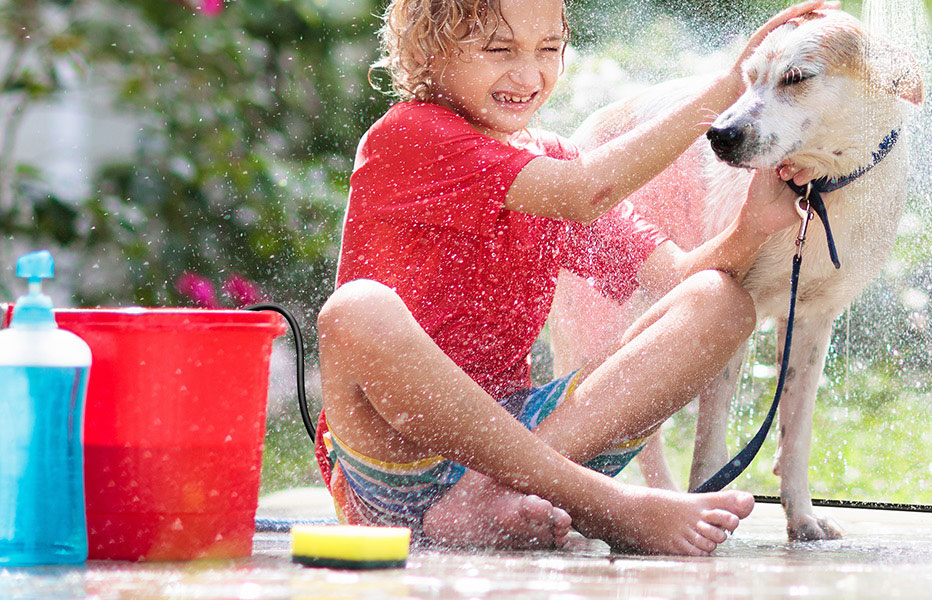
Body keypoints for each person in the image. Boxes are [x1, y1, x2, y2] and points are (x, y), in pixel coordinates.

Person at [313, 0, 832, 555]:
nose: (528, 75)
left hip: (534, 448)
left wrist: (752, 227)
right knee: (356, 308)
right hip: (394, 460)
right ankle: (609, 505)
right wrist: (728, 89)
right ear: (426, 52)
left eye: (548, 49)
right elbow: (585, 191)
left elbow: (678, 278)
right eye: (499, 49)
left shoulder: (554, 159)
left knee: (720, 301)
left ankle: (489, 500)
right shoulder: (410, 135)